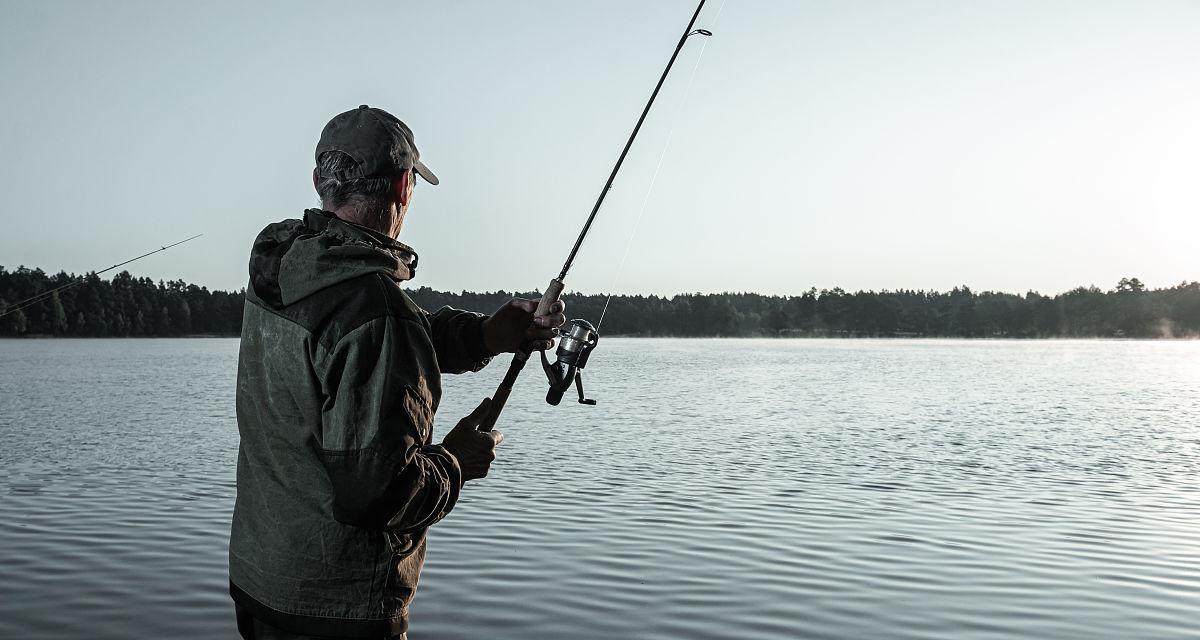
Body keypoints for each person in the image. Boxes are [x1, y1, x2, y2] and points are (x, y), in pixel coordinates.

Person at [229, 105, 565, 639]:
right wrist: (454, 461)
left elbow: (375, 344)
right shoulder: (374, 311)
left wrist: (487, 335)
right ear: (405, 187)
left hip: (262, 587)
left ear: (321, 180)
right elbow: (377, 494)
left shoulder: (285, 270)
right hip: (337, 613)